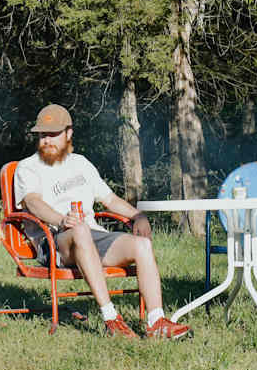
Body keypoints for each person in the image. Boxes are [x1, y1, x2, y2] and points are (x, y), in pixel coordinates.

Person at [13, 104, 191, 340]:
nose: (46, 140)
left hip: (91, 235)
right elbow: (33, 202)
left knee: (142, 245)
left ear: (68, 133)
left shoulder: (81, 163)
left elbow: (109, 199)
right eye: (42, 134)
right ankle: (111, 318)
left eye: (53, 134)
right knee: (79, 229)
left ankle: (156, 321)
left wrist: (137, 216)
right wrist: (61, 219)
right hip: (55, 240)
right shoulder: (28, 167)